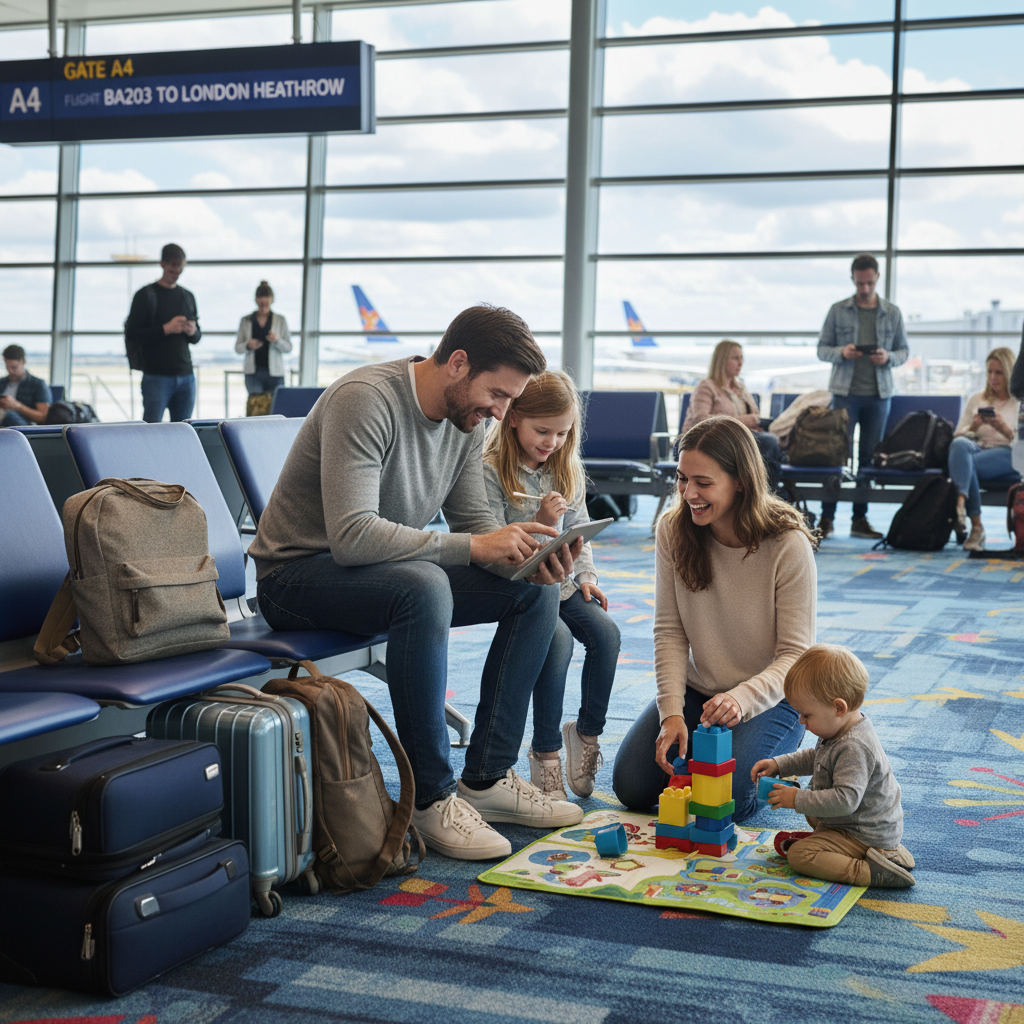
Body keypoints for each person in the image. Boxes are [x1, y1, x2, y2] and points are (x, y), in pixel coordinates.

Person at [249, 305, 586, 862]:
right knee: (424, 586)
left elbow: (476, 527)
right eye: (497, 395)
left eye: (509, 400)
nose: (501, 413)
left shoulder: (466, 423)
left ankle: (486, 777)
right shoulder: (366, 400)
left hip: (379, 574)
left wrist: (529, 556)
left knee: (534, 592)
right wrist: (477, 547)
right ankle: (430, 796)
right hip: (296, 577)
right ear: (458, 363)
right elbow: (352, 537)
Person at [612, 415, 817, 820]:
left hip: (773, 699)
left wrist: (741, 699)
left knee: (725, 803)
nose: (689, 493)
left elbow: (796, 655)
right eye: (682, 479)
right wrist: (672, 712)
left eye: (703, 482)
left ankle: (780, 767)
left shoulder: (787, 543)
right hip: (701, 693)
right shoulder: (673, 531)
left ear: (740, 481)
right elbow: (670, 632)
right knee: (632, 787)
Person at [482, 370, 621, 801]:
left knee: (607, 634)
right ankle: (545, 753)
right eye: (543, 431)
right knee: (557, 642)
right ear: (513, 419)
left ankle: (585, 734)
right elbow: (491, 541)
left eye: (562, 433)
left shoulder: (566, 466)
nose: (552, 442)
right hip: (520, 587)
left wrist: (586, 578)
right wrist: (542, 523)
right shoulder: (491, 470)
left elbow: (580, 532)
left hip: (561, 582)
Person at [751, 643, 916, 889]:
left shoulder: (854, 746)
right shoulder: (840, 728)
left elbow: (845, 800)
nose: (801, 721)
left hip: (861, 832)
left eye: (807, 715)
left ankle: (870, 870)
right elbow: (817, 757)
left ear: (839, 708)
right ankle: (887, 852)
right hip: (860, 823)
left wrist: (797, 798)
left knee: (800, 855)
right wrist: (780, 764)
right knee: (812, 805)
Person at [817, 253, 909, 540]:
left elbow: (903, 351)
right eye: (860, 284)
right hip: (845, 394)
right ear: (853, 280)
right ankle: (827, 518)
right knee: (836, 455)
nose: (865, 288)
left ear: (877, 277)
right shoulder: (838, 310)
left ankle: (859, 518)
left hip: (879, 396)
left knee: (868, 459)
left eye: (869, 283)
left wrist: (888, 357)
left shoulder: (892, 312)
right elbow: (822, 349)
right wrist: (842, 352)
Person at [683, 339, 782, 490]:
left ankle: (762, 492)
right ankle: (767, 493)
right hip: (705, 442)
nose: (740, 363)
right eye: (735, 358)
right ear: (721, 361)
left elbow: (754, 415)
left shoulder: (740, 386)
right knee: (768, 443)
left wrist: (754, 423)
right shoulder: (707, 386)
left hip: (733, 442)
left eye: (741, 358)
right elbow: (700, 420)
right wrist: (745, 421)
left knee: (773, 439)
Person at [949, 347, 1021, 552]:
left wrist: (1004, 429)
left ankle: (969, 516)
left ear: (1009, 374)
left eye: (998, 373)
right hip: (978, 449)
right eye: (989, 372)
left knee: (965, 466)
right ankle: (967, 511)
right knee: (959, 445)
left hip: (1009, 453)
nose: (993, 378)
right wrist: (973, 427)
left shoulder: (1019, 403)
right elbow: (957, 435)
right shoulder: (977, 399)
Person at [124, 242, 201, 423]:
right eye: (173, 266)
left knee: (184, 431)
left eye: (180, 267)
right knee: (152, 430)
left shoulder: (187, 296)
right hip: (156, 376)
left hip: (186, 375)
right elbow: (132, 334)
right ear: (162, 264)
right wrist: (166, 329)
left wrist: (192, 331)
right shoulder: (145, 295)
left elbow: (197, 337)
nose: (177, 271)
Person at [235, 280, 292, 407]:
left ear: (271, 301)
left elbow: (288, 347)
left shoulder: (280, 320)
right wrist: (248, 345)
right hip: (253, 373)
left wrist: (276, 340)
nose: (263, 307)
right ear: (256, 301)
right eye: (261, 304)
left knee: (277, 408)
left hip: (275, 373)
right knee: (256, 408)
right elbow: (237, 348)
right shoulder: (246, 321)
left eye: (266, 304)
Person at [0, 344, 51, 426]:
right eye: (7, 367)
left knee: (8, 414)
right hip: (3, 425)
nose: (10, 371)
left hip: (24, 424)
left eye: (14, 367)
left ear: (23, 362)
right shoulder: (2, 382)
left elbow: (43, 417)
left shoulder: (37, 384)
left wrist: (18, 406)